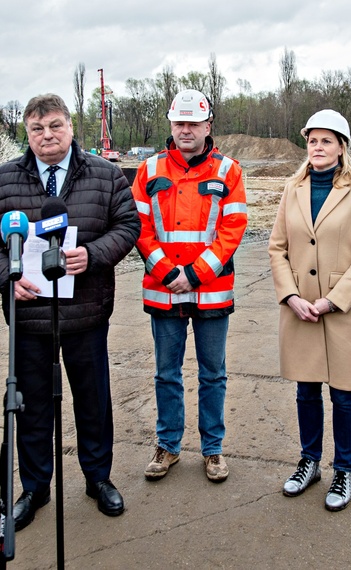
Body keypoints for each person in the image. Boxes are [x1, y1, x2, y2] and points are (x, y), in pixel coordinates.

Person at [0, 93, 139, 530]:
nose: (47, 136)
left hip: (85, 312)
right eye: (37, 129)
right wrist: (6, 277)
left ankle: (98, 478)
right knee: (29, 408)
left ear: (70, 127)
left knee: (93, 402)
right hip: (28, 316)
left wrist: (94, 253)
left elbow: (128, 226)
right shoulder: (1, 180)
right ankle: (34, 487)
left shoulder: (105, 176)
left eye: (55, 126)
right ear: (26, 134)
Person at [131, 89, 248, 483]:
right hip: (163, 289)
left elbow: (233, 230)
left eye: (192, 123)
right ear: (171, 124)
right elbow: (140, 228)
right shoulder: (148, 170)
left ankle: (212, 449)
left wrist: (194, 274)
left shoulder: (228, 171)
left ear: (207, 126)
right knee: (167, 373)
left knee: (213, 373)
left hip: (210, 291)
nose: (185, 130)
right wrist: (167, 272)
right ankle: (168, 446)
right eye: (179, 123)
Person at [267, 109, 351, 511]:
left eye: (326, 141)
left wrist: (333, 299)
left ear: (341, 147)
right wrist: (291, 296)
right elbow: (277, 247)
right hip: (300, 308)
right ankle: (309, 462)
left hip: (341, 311)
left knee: (344, 395)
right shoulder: (291, 188)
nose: (317, 147)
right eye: (312, 140)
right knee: (306, 390)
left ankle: (343, 470)